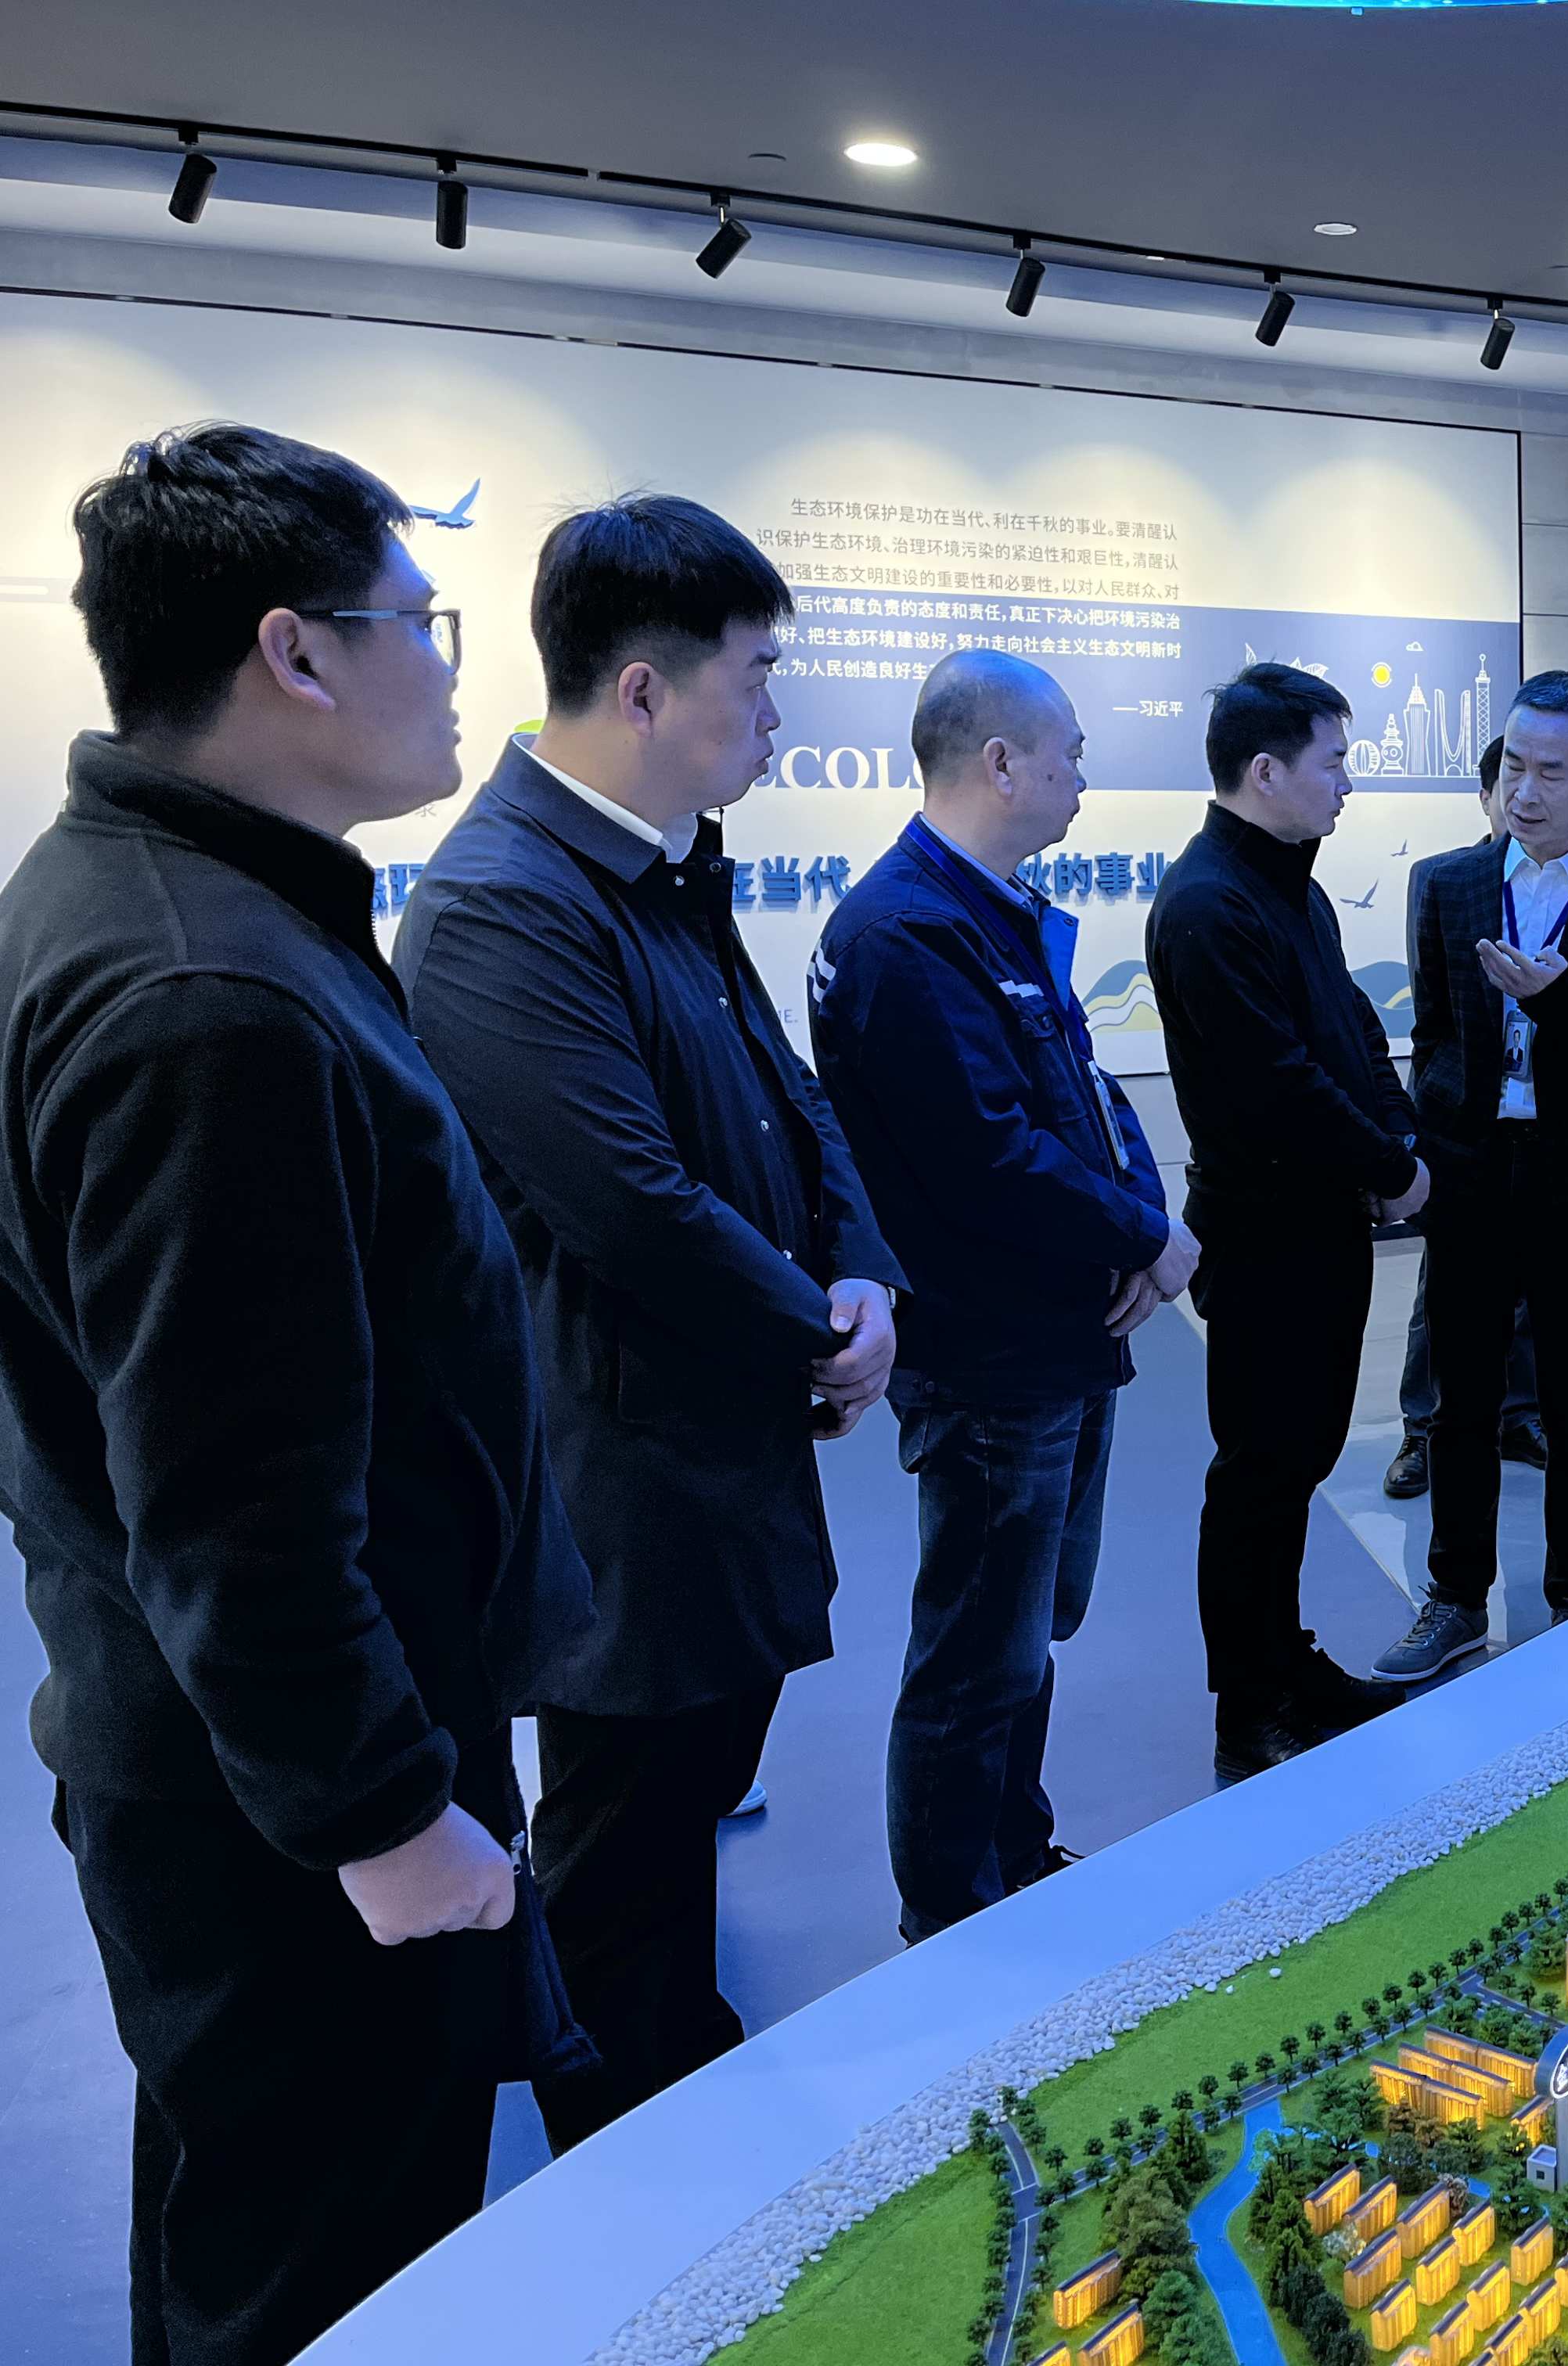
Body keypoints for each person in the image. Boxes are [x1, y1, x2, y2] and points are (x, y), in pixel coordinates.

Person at [0, 424, 592, 2365]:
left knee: (250, 2231)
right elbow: (236, 1509)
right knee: (329, 2274)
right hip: (286, 1813)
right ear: (297, 652)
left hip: (221, 1753)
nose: (454, 667)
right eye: (425, 621)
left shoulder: (160, 903)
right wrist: (387, 1818)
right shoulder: (208, 998)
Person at [392, 494, 906, 2148]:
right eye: (754, 678)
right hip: (619, 1471)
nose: (773, 716)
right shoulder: (502, 904)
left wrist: (861, 1269)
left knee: (685, 1790)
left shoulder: (659, 873)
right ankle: (628, 2133)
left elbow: (786, 1097)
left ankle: (677, 2049)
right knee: (623, 1827)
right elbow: (627, 1201)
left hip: (715, 1437)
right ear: (640, 689)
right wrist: (814, 1329)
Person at [807, 652, 1186, 1942]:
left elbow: (1084, 1094)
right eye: (1069, 750)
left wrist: (1139, 1227)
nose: (1084, 774)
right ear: (1002, 762)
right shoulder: (903, 934)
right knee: (976, 1651)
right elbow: (989, 1155)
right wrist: (1148, 1237)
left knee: (1025, 1635)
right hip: (989, 1360)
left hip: (1055, 1339)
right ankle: (953, 1919)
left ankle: (1015, 1854)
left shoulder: (990, 911)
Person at [1376, 671, 1568, 1678]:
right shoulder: (1449, 883)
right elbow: (1433, 1036)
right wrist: (1427, 1147)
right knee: (1461, 1403)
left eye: (1552, 771)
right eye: (1514, 764)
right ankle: (1454, 1600)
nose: (1525, 790)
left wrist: (1564, 1001)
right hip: (1472, 1175)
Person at [1147, 661, 1420, 1778]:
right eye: (1334, 762)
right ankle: (1248, 1704)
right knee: (1258, 1473)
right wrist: (1389, 1166)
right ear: (1266, 771)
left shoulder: (1295, 891)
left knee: (1300, 1458)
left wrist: (1399, 1142)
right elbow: (1278, 1085)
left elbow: (1352, 1033)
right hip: (1263, 1237)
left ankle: (1286, 1660)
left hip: (1323, 1228)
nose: (1347, 783)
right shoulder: (1208, 904)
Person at [1386, 731, 1540, 1500]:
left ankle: (1521, 1414)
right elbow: (1431, 1013)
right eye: (1510, 781)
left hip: (1544, 1121)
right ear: (1486, 797)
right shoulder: (1443, 879)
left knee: (1534, 1276)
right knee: (1443, 1286)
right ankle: (1422, 1427)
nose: (1528, 798)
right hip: (1464, 1116)